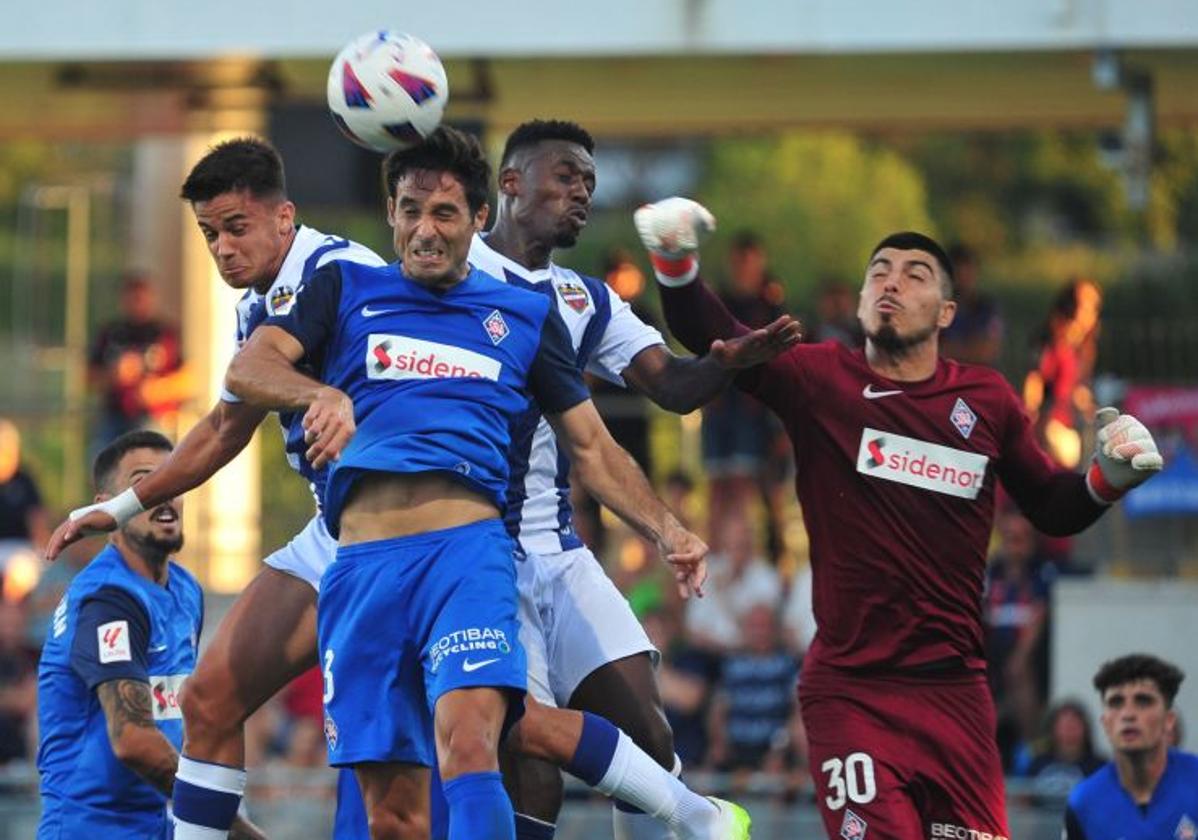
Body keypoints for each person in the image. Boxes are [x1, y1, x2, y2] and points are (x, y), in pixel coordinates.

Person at [48, 137, 751, 840]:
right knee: (391, 809)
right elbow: (241, 385)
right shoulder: (346, 292)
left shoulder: (520, 313)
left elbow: (593, 448)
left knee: (476, 740)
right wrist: (323, 396)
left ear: (480, 218)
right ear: (390, 213)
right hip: (356, 558)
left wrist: (669, 529)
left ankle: (692, 812)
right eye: (410, 210)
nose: (424, 228)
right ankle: (690, 809)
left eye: (444, 212)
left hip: (467, 555)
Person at [633, 196, 1164, 839]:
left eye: (914, 273)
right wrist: (675, 260)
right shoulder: (818, 379)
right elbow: (710, 332)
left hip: (957, 698)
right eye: (878, 270)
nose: (891, 280)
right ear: (861, 304)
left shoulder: (987, 400)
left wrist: (1111, 479)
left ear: (945, 312)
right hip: (852, 692)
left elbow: (1052, 505)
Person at [472, 119, 791, 840]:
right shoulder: (456, 273)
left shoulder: (585, 299)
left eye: (588, 180)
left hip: (559, 548)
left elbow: (672, 387)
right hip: (477, 554)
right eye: (564, 175)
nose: (581, 191)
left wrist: (728, 363)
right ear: (511, 182)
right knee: (529, 759)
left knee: (650, 743)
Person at [36, 430, 261, 838]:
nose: (165, 494)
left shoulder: (186, 589)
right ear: (107, 509)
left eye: (174, 480)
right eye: (143, 483)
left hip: (158, 826)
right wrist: (231, 825)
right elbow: (133, 741)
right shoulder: (110, 600)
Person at [1064, 654, 1198, 839]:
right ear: (1105, 723)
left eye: (1143, 701)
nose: (1128, 714)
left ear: (1169, 720)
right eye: (1116, 702)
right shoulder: (1084, 803)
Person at [88, 274, 189, 451]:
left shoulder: (165, 334)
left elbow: (187, 380)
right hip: (116, 416)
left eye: (141, 297)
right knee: (104, 461)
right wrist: (115, 375)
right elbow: (88, 377)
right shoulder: (110, 333)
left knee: (152, 463)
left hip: (155, 417)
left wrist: (155, 390)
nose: (137, 303)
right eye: (131, 298)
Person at [1021, 700, 1104, 800]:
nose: (1069, 729)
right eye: (1064, 725)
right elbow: (1024, 798)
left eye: (1074, 724)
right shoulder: (1038, 763)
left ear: (1085, 729)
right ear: (1053, 729)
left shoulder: (1099, 767)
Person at [938, 243, 1003, 366]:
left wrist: (948, 349)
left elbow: (986, 351)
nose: (963, 279)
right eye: (959, 273)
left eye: (968, 272)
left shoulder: (986, 308)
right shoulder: (937, 308)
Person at [0, 418, 50, 555]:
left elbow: (38, 522)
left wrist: (44, 552)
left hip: (20, 550)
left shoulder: (24, 481)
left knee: (20, 570)